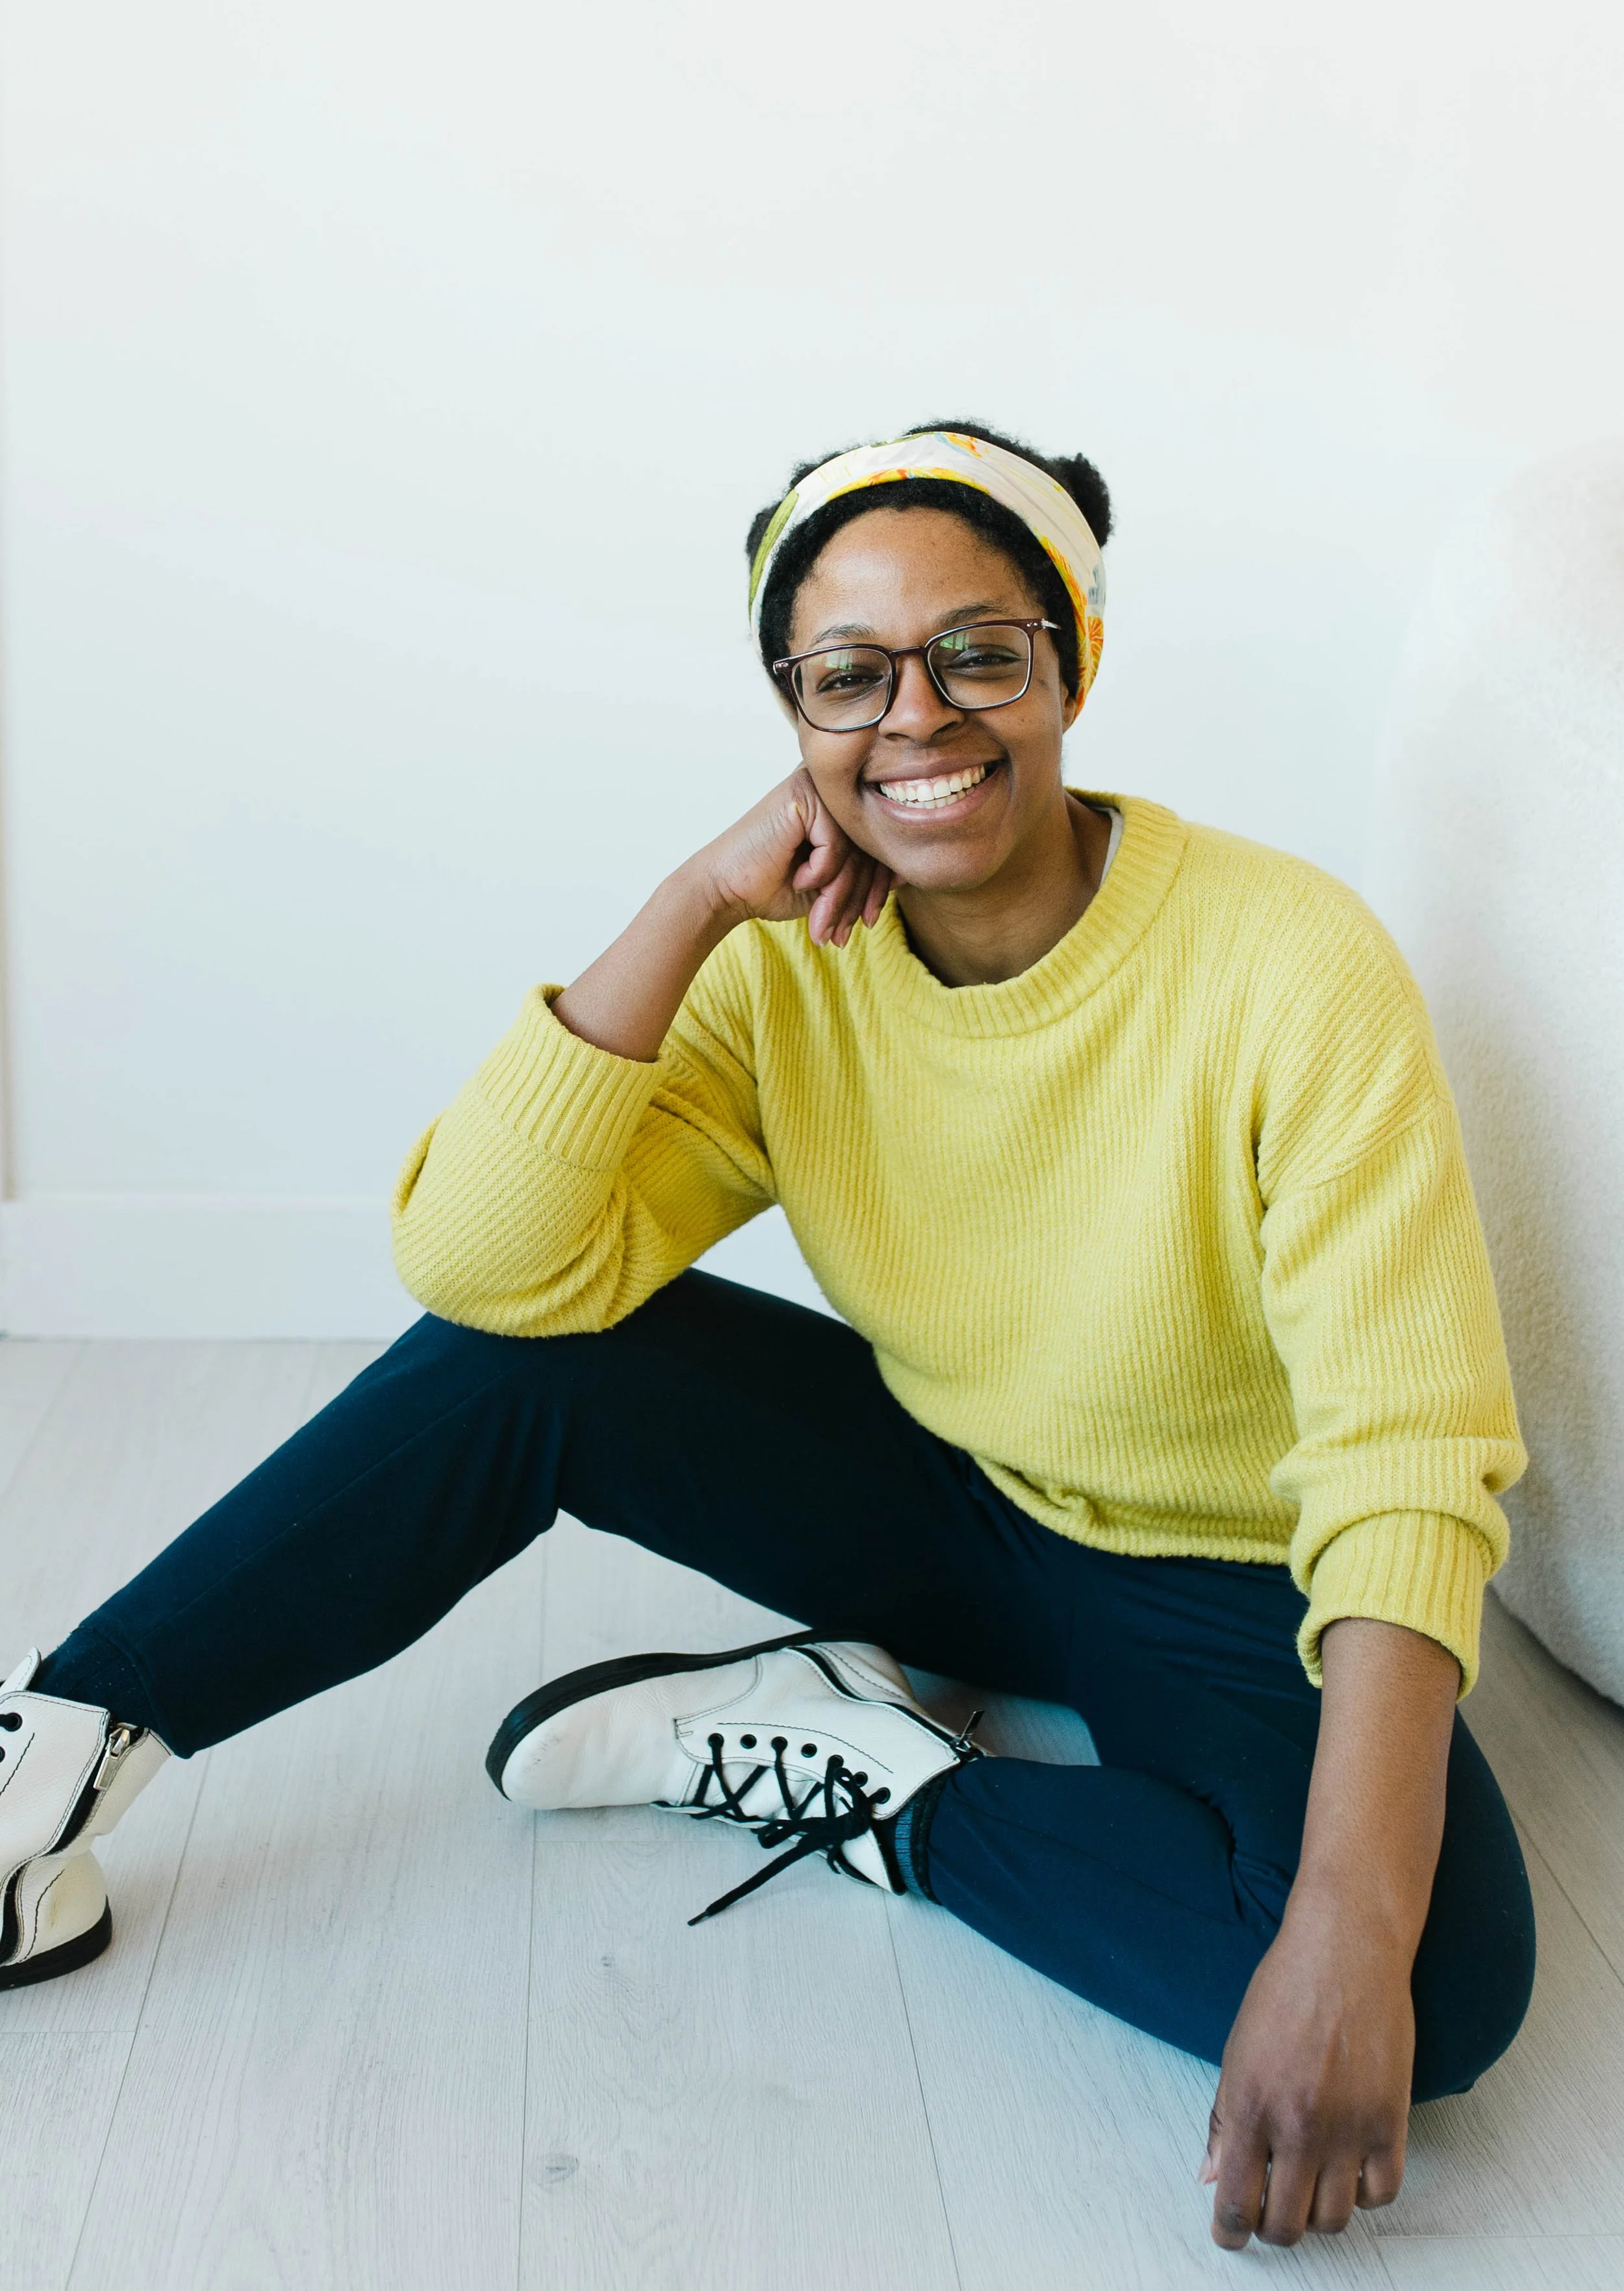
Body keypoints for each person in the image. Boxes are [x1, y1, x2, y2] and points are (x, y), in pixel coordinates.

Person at [0, 422, 1535, 2251]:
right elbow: (486, 1271)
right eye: (847, 673)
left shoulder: (1289, 964)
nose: (918, 715)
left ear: (1070, 665)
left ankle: (882, 1778)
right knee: (539, 1357)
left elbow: (1406, 1458)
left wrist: (1347, 1929)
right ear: (792, 709)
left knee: (1439, 1991)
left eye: (979, 652)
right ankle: (63, 1742)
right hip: (951, 1501)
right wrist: (691, 904)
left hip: (1230, 1573)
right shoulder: (782, 958)